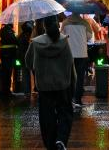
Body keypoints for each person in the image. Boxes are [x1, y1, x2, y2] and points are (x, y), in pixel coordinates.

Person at [26, 14, 76, 150]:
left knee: (47, 116)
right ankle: (61, 139)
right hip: (62, 84)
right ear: (57, 25)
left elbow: (28, 62)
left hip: (44, 85)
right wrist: (73, 83)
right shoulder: (64, 41)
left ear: (44, 26)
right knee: (65, 112)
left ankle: (50, 144)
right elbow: (70, 63)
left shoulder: (35, 43)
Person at [61, 13, 89, 106]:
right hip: (82, 53)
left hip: (69, 53)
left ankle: (69, 98)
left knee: (69, 76)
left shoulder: (65, 22)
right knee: (80, 77)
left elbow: (61, 36)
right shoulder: (85, 23)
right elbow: (89, 36)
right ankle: (78, 99)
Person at [0, 24, 18, 99]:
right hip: (9, 55)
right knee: (8, 74)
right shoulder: (9, 31)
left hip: (4, 55)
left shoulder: (2, 30)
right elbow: (15, 41)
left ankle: (4, 90)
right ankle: (7, 91)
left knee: (4, 73)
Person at [16, 21, 33, 96]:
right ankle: (27, 90)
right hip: (26, 57)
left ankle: (25, 90)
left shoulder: (22, 36)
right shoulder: (28, 36)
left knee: (24, 72)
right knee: (26, 72)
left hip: (21, 57)